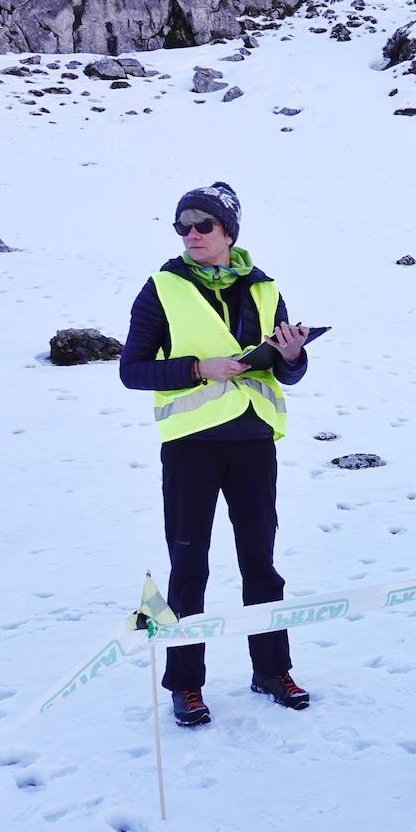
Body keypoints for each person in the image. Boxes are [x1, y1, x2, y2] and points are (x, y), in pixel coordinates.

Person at [119, 182, 312, 727]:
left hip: (253, 442)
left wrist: (292, 356)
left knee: (261, 565)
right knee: (188, 569)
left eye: (203, 224)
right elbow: (131, 370)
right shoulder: (162, 288)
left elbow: (287, 369)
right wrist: (199, 369)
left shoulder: (265, 288)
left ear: (230, 232)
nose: (192, 234)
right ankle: (185, 684)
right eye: (182, 225)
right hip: (191, 448)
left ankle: (272, 670)